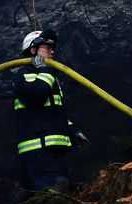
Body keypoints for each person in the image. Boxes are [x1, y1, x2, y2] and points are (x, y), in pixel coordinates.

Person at [12, 30, 87, 195]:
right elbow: (37, 95)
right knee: (51, 191)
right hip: (38, 150)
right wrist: (45, 71)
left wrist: (73, 130)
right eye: (48, 47)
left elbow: (53, 112)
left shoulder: (48, 76)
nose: (53, 52)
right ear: (33, 50)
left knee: (65, 188)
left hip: (52, 147)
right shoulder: (24, 75)